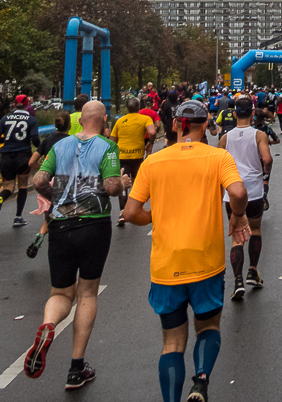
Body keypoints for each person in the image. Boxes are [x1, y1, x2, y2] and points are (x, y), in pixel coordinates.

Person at [124, 99, 249, 402]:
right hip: (206, 262)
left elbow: (130, 212)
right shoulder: (218, 157)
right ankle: (201, 380)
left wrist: (157, 215)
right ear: (206, 125)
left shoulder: (154, 161)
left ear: (177, 124)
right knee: (208, 327)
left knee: (172, 341)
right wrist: (237, 214)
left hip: (167, 267)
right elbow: (238, 192)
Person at [23, 100, 125, 390]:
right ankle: (76, 367)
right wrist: (124, 183)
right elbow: (111, 187)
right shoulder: (107, 146)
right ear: (104, 119)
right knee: (88, 293)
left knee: (61, 292)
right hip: (93, 224)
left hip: (60, 225)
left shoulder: (59, 147)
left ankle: (49, 325)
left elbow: (39, 180)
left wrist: (55, 197)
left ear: (82, 120)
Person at [219, 96, 273, 297]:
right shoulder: (259, 135)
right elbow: (267, 159)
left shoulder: (225, 138)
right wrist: (264, 171)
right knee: (256, 229)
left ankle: (237, 281)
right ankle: (253, 271)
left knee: (237, 237)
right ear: (252, 113)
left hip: (232, 192)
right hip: (254, 190)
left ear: (234, 114)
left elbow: (218, 163)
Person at [25, 115, 72, 259]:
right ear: (69, 126)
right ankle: (64, 250)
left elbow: (32, 162)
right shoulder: (72, 141)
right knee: (68, 216)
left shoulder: (47, 141)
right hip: (65, 183)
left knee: (49, 218)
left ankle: (40, 235)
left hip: (48, 184)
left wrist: (44, 171)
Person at [0, 94, 41, 225]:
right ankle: (18, 216)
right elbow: (35, 140)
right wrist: (42, 150)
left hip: (6, 156)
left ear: (14, 104)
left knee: (8, 187)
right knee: (23, 186)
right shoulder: (31, 120)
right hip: (23, 156)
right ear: (27, 105)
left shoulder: (5, 118)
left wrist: (8, 140)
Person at [111, 98, 156, 226]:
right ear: (139, 107)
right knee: (137, 183)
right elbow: (152, 131)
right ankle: (136, 209)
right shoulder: (145, 119)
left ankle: (121, 212)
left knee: (123, 182)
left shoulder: (120, 121)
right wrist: (150, 142)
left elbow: (112, 140)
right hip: (137, 156)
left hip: (122, 156)